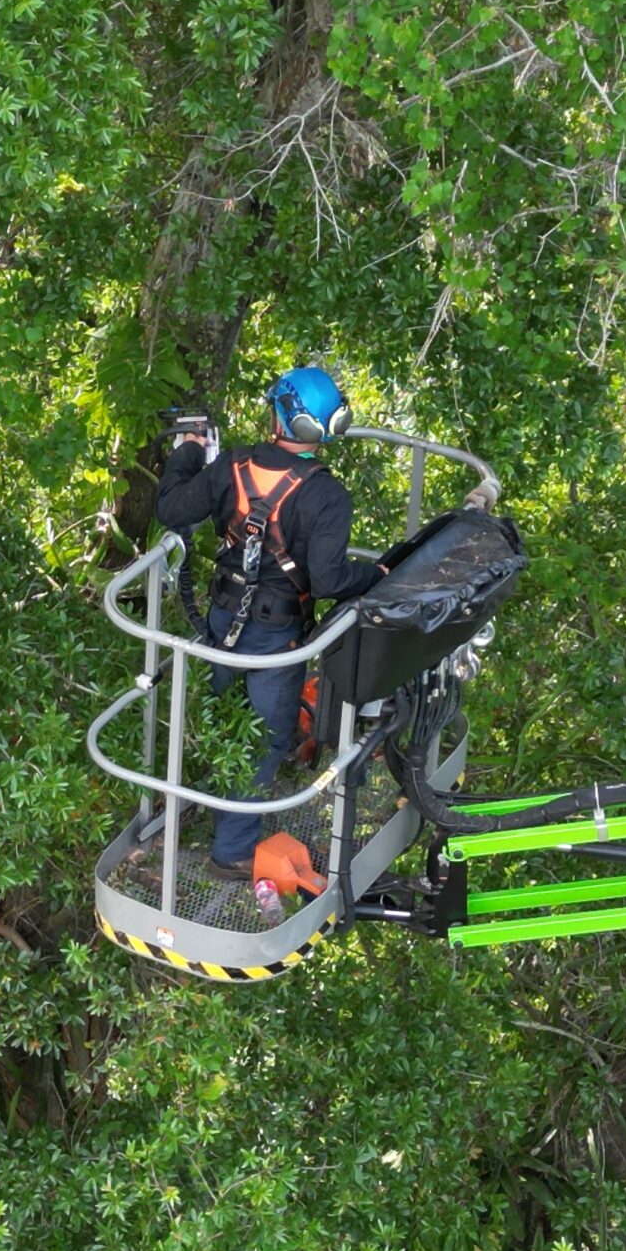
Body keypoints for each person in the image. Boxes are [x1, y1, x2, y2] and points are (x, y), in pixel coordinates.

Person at [156, 366, 383, 878]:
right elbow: (328, 580)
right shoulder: (327, 496)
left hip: (222, 618)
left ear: (281, 415)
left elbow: (171, 508)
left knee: (224, 718)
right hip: (276, 637)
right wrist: (376, 574)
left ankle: (218, 811)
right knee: (267, 738)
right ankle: (232, 850)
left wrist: (190, 451)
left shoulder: (232, 467)